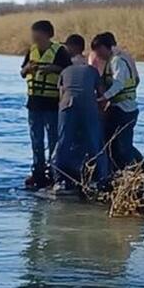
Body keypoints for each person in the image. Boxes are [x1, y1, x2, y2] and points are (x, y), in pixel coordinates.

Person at [51, 37, 109, 192]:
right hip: (88, 106)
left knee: (63, 143)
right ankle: (102, 180)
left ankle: (60, 180)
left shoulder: (65, 71)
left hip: (67, 106)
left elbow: (61, 95)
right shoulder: (92, 70)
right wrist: (102, 112)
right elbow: (102, 95)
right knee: (95, 142)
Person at [21, 20, 72, 189]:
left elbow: (69, 72)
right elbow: (22, 72)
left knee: (53, 140)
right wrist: (27, 68)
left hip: (52, 103)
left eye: (38, 36)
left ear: (48, 35)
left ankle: (54, 173)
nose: (35, 39)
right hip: (34, 103)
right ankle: (38, 173)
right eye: (33, 36)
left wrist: (53, 69)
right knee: (36, 140)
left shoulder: (60, 51)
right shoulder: (32, 50)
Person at [91, 33, 140, 171]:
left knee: (123, 146)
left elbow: (119, 84)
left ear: (107, 48)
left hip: (125, 109)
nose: (98, 54)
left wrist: (104, 97)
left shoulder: (117, 61)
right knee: (111, 142)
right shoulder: (109, 62)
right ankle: (116, 171)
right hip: (116, 108)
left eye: (99, 50)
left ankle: (132, 174)